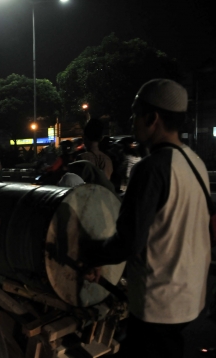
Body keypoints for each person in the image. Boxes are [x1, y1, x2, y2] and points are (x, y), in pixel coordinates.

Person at [81, 79, 211, 358]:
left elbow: (128, 242)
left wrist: (92, 255)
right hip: (190, 297)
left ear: (152, 118)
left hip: (159, 305)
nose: (131, 120)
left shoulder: (151, 169)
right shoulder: (196, 163)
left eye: (134, 112)